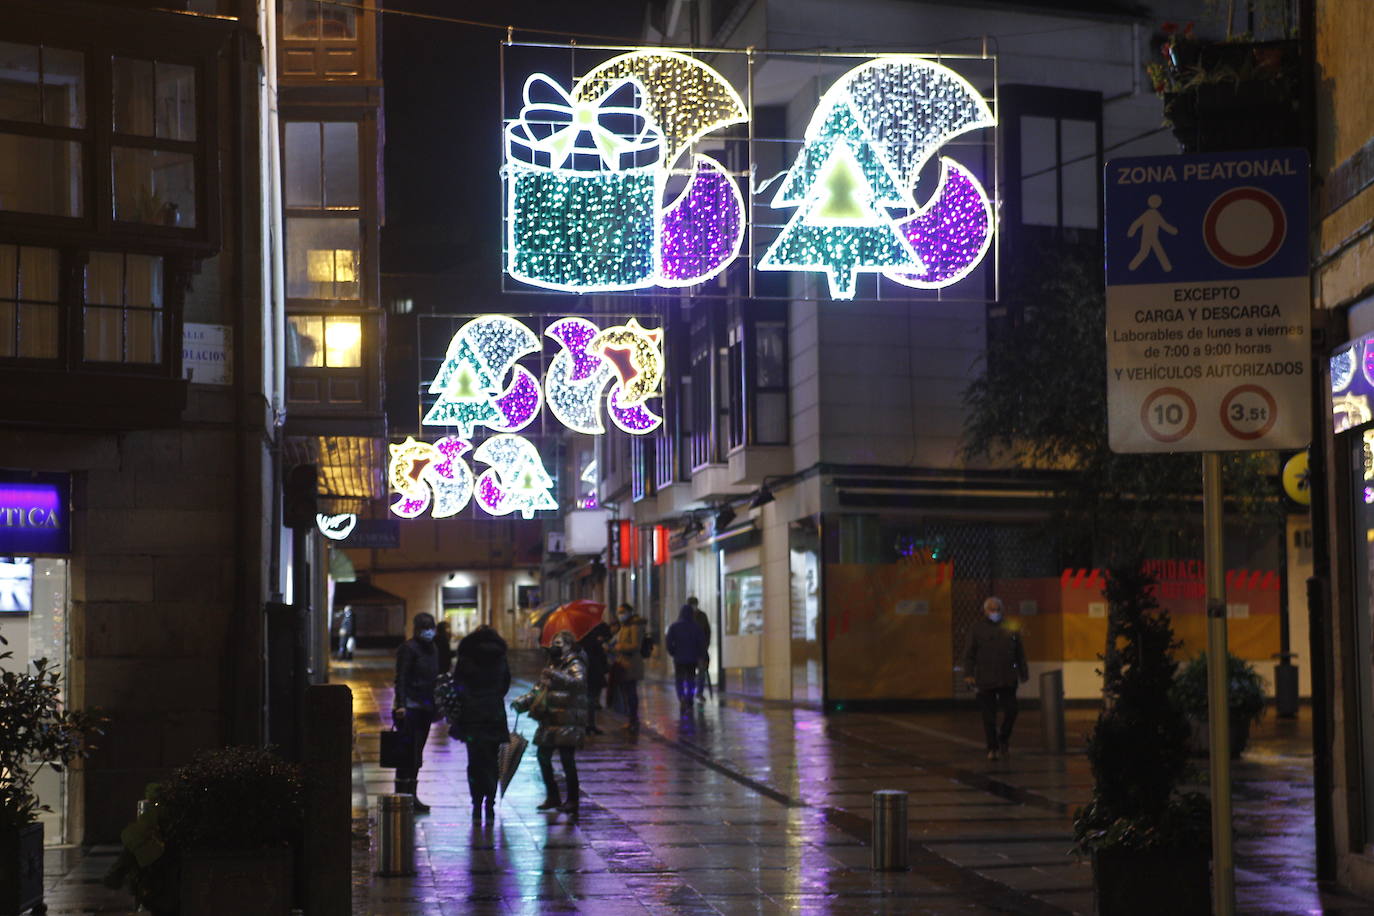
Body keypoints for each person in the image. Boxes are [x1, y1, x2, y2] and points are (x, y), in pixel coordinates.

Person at [512, 629, 587, 816]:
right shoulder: (552, 664)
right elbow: (539, 690)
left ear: (569, 646)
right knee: (543, 757)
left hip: (567, 720)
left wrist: (554, 675)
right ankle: (553, 796)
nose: (555, 647)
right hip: (549, 719)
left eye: (560, 644)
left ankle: (572, 800)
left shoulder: (575, 662)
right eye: (554, 643)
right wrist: (523, 701)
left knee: (567, 760)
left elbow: (579, 683)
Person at [450, 625, 511, 818]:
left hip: (471, 715)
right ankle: (490, 803)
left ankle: (476, 803)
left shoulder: (467, 656)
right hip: (494, 713)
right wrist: (493, 697)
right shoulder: (500, 656)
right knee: (492, 761)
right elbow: (505, 684)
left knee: (474, 760)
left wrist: (468, 700)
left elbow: (457, 684)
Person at [961, 597, 1029, 761]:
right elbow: (969, 654)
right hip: (985, 678)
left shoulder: (1010, 626)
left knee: (1012, 711)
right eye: (991, 609)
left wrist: (1023, 672)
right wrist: (968, 674)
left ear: (1002, 610)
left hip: (1007, 677)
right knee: (988, 716)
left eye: (997, 608)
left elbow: (1019, 651)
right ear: (985, 611)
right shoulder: (977, 629)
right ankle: (992, 747)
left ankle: (1003, 737)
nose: (994, 612)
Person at [393, 612, 441, 812]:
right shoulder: (408, 649)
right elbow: (401, 677)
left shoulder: (432, 649)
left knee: (417, 754)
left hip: (426, 707)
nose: (429, 631)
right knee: (407, 753)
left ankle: (412, 795)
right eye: (425, 627)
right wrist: (401, 704)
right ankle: (402, 796)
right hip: (411, 708)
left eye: (431, 627)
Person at [665, 603, 708, 714]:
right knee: (691, 679)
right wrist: (701, 656)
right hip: (692, 659)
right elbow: (701, 643)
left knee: (679, 680)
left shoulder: (674, 627)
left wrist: (673, 652)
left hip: (679, 659)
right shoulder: (696, 627)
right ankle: (689, 697)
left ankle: (682, 697)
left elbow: (669, 643)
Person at [610, 604, 645, 734]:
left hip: (631, 665)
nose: (620, 615)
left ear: (629, 612)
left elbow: (636, 645)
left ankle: (633, 720)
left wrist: (620, 647)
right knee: (626, 693)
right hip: (623, 664)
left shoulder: (634, 626)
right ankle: (630, 719)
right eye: (618, 612)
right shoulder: (624, 626)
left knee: (631, 693)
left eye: (622, 612)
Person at [579, 620, 612, 736]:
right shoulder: (592, 639)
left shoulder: (581, 639)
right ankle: (589, 724)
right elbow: (600, 656)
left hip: (587, 672)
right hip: (593, 672)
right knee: (590, 699)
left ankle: (588, 724)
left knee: (589, 699)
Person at [688, 597, 711, 702]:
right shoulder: (686, 617)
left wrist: (706, 645)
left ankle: (699, 692)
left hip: (701, 650)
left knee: (701, 672)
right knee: (691, 674)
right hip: (690, 651)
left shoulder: (702, 616)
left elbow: (707, 631)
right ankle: (692, 692)